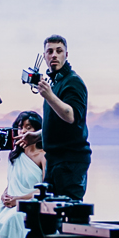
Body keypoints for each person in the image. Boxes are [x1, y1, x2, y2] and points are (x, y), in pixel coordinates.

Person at [31, 33, 90, 201]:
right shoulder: (54, 83)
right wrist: (36, 136)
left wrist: (49, 96)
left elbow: (71, 116)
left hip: (70, 162)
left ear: (66, 55)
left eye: (59, 51)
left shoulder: (73, 82)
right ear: (44, 56)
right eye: (50, 51)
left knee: (71, 215)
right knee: (51, 216)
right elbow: (56, 123)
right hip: (54, 161)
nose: (54, 55)